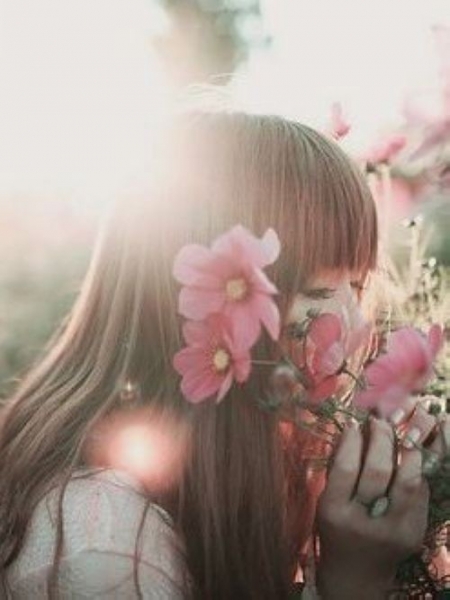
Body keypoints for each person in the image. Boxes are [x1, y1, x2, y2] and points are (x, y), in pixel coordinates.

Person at [0, 108, 447, 599]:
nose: (358, 326)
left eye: (357, 287)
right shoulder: (102, 550)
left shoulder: (265, 474)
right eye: (316, 292)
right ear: (192, 308)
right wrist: (354, 580)